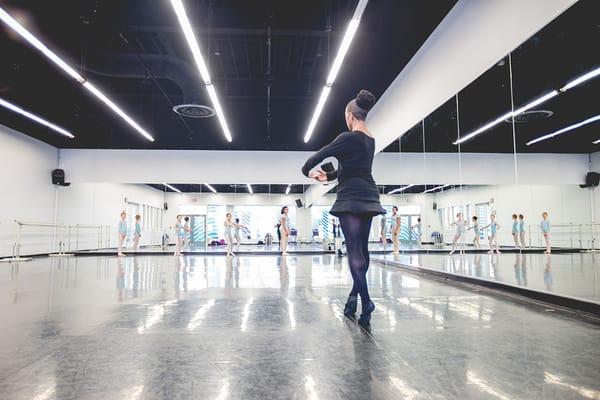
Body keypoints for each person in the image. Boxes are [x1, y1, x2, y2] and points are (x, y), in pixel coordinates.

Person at [301, 89, 384, 328]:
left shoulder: (347, 137)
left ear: (350, 115)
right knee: (362, 251)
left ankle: (366, 301)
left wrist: (307, 171)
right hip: (369, 195)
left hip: (351, 199)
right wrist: (327, 175)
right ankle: (353, 298)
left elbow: (319, 155)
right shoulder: (370, 138)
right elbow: (352, 169)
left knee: (353, 252)